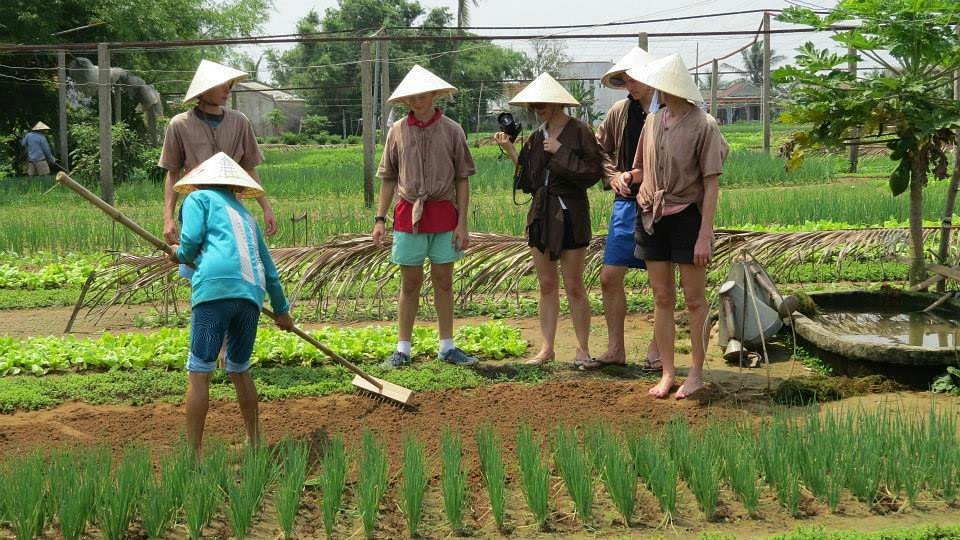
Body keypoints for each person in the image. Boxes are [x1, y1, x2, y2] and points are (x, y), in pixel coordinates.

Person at [168, 152, 294, 453]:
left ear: (201, 181)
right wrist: (282, 311)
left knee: (200, 371)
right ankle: (253, 440)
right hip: (251, 295)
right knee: (239, 367)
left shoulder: (197, 200)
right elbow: (270, 270)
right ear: (234, 186)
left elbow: (191, 242)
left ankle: (193, 455)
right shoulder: (246, 217)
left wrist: (178, 252)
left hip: (214, 292)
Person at [622, 54, 728, 399]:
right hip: (652, 214)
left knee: (695, 300)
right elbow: (641, 169)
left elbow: (711, 184)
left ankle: (695, 372)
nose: (655, 91)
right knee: (662, 296)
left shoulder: (704, 125)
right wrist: (627, 177)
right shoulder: (653, 121)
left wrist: (704, 234)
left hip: (687, 217)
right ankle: (668, 373)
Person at [494, 73, 604, 367]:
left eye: (541, 103)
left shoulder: (580, 131)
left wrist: (561, 152)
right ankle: (547, 348)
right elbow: (530, 182)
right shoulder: (535, 137)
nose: (537, 108)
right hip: (542, 215)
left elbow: (592, 173)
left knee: (575, 285)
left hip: (571, 213)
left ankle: (582, 349)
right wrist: (512, 152)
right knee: (545, 284)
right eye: (533, 105)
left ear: (556, 103)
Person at [373, 64, 478, 368]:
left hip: (444, 212)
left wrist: (462, 223)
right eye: (412, 95)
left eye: (423, 94)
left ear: (434, 95)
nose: (418, 99)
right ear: (406, 100)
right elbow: (389, 177)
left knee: (444, 280)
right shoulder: (397, 131)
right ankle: (403, 348)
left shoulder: (452, 130)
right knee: (410, 282)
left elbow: (462, 178)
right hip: (408, 214)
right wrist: (380, 219)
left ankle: (447, 345)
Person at [581, 48, 662, 371]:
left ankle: (658, 349)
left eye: (635, 78)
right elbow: (599, 148)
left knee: (661, 282)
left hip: (662, 202)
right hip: (627, 203)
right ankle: (616, 348)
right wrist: (612, 175)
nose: (630, 84)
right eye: (625, 79)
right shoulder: (620, 111)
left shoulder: (671, 109)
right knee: (609, 276)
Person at [159, 59, 277, 245]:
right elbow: (173, 172)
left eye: (228, 85)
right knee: (195, 264)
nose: (227, 90)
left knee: (233, 260)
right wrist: (168, 218)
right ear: (204, 90)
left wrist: (266, 208)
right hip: (196, 206)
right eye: (221, 85)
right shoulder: (180, 124)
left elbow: (248, 169)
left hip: (232, 207)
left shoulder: (239, 122)